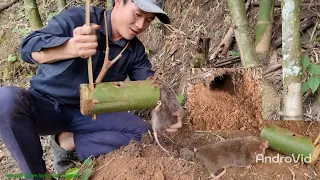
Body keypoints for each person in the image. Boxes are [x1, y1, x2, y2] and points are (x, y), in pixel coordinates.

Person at [0, 0, 181, 179]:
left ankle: (67, 142)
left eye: (149, 19)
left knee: (142, 132)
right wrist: (69, 48)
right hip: (46, 107)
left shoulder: (134, 50)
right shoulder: (80, 18)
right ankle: (39, 175)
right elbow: (27, 48)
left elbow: (152, 86)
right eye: (138, 14)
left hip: (90, 113)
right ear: (119, 2)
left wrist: (171, 106)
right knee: (6, 99)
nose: (141, 25)